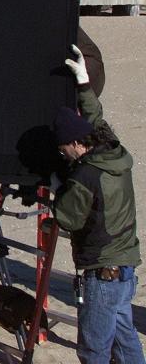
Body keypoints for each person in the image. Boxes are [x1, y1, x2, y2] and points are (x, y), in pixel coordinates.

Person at [51, 45, 143, 364]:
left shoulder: (86, 176)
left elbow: (67, 218)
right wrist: (83, 84)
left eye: (65, 151)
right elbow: (95, 120)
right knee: (125, 340)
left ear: (77, 144)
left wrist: (57, 188)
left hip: (102, 271)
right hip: (125, 266)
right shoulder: (114, 153)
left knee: (93, 348)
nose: (65, 156)